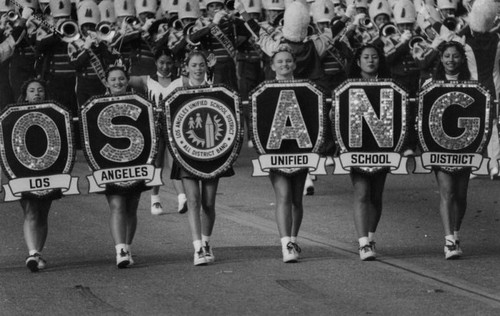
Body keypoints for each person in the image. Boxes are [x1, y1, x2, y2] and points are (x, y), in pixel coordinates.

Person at [164, 50, 234, 266]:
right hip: (186, 153)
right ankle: (198, 249)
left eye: (201, 64)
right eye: (194, 65)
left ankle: (207, 241)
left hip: (213, 153)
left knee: (209, 203)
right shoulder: (176, 90)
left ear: (206, 66)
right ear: (186, 67)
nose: (198, 68)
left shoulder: (216, 89)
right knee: (193, 201)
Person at [423, 41, 472, 259]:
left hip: (465, 146)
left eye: (455, 56)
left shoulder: (473, 84)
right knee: (448, 191)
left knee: (460, 195)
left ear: (462, 59)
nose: (451, 60)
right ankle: (448, 241)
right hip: (439, 145)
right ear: (440, 59)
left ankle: (456, 232)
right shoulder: (429, 84)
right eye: (446, 56)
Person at [102, 63, 151, 268]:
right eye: (113, 79)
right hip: (108, 162)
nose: (118, 82)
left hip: (136, 160)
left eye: (121, 78)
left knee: (131, 207)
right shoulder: (97, 104)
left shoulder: (139, 103)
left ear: (127, 80)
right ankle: (120, 250)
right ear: (106, 82)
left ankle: (128, 247)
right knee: (117, 204)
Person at [129, 48, 187, 215]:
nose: (165, 66)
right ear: (155, 63)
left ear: (174, 63)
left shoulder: (181, 80)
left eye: (169, 62)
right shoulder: (146, 80)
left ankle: (182, 197)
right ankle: (155, 200)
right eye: (161, 62)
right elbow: (120, 80)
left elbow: (201, 84)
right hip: (155, 127)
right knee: (157, 164)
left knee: (175, 161)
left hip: (175, 127)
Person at [263, 44, 308, 263]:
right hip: (276, 149)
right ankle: (285, 244)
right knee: (283, 196)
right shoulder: (265, 90)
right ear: (272, 66)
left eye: (288, 61)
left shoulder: (306, 88)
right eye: (280, 61)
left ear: (295, 64)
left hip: (301, 148)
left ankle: (294, 238)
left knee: (297, 199)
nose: (285, 64)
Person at [347, 44, 391, 261]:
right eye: (366, 57)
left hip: (382, 147)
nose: (371, 61)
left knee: (376, 195)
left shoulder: (390, 86)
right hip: (356, 147)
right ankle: (363, 242)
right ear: (358, 61)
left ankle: (371, 237)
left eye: (374, 57)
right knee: (362, 193)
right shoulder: (347, 87)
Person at [17, 78, 61, 272]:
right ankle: (32, 252)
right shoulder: (14, 115)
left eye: (40, 90)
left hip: (49, 169)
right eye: (32, 90)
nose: (36, 94)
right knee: (31, 210)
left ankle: (38, 253)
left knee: (43, 212)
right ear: (25, 95)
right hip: (23, 169)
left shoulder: (56, 114)